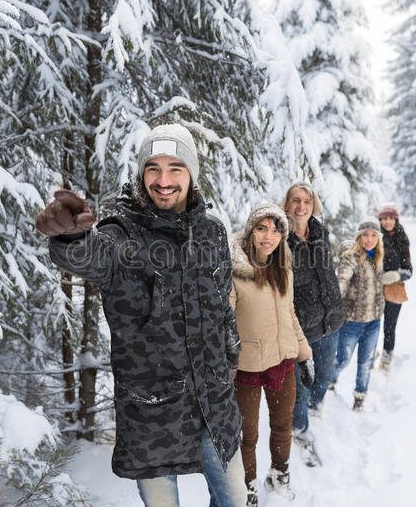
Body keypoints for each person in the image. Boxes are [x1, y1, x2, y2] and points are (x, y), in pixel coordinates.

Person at [35, 123, 247, 507]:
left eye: (175, 168)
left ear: (191, 174)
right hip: (153, 415)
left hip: (214, 402)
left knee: (234, 498)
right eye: (153, 168)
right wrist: (70, 238)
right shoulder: (123, 234)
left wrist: (231, 353)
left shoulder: (213, 232)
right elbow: (93, 254)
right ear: (141, 173)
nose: (163, 180)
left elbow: (221, 300)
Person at [229, 203, 314, 506]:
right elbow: (224, 321)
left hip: (283, 363)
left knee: (282, 425)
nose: (269, 237)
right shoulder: (235, 272)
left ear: (282, 236)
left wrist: (304, 354)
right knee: (247, 435)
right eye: (262, 229)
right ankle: (248, 485)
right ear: (251, 232)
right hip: (248, 368)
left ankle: (279, 473)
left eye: (276, 230)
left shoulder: (283, 269)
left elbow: (290, 314)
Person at [281, 182, 344, 466]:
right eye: (296, 200)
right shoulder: (280, 239)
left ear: (313, 204)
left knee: (325, 376)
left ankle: (315, 408)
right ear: (287, 204)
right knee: (301, 386)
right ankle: (301, 429)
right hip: (301, 329)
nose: (301, 206)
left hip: (329, 321)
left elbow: (328, 272)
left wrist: (337, 307)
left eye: (306, 200)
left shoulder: (320, 232)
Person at [332, 217, 385, 411]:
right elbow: (342, 282)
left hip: (374, 321)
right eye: (365, 235)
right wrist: (335, 303)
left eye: (373, 235)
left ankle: (359, 398)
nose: (369, 239)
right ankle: (330, 383)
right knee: (342, 359)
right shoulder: (351, 257)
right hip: (352, 321)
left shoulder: (379, 258)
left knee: (366, 362)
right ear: (359, 237)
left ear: (378, 238)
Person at [378, 204, 412, 371]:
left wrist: (397, 275)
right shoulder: (374, 236)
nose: (388, 222)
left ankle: (387, 355)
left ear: (395, 220)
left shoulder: (401, 238)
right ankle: (371, 353)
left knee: (390, 325)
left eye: (391, 218)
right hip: (375, 288)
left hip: (394, 289)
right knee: (372, 324)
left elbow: (409, 270)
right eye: (384, 218)